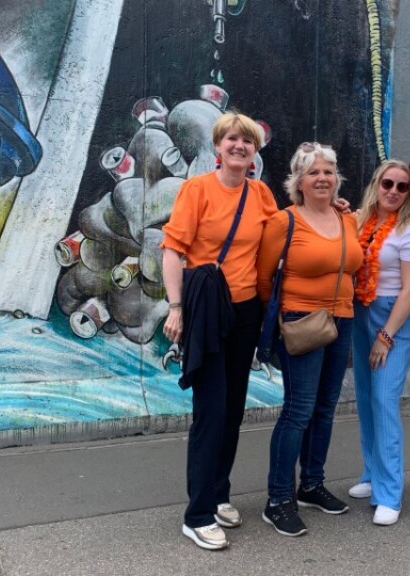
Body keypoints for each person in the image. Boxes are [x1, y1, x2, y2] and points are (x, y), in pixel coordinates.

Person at [160, 112, 277, 550]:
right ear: (218, 147)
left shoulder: (260, 193)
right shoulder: (197, 190)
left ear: (254, 152)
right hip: (206, 311)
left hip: (245, 312)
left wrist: (340, 211)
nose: (239, 147)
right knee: (210, 411)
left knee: (232, 408)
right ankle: (198, 513)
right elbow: (173, 250)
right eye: (231, 139)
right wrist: (176, 308)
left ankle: (220, 491)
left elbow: (282, 233)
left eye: (246, 142)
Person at [256, 142, 363, 537]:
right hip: (301, 319)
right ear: (298, 181)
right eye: (313, 172)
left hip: (342, 319)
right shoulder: (285, 222)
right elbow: (264, 278)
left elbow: (353, 265)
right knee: (298, 409)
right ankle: (278, 498)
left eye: (328, 172)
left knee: (326, 406)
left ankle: (312, 485)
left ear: (337, 179)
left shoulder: (346, 218)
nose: (322, 178)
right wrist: (287, 316)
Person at [347, 160, 410, 526]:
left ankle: (389, 493)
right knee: (365, 399)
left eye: (402, 186)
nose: (393, 191)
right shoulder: (361, 220)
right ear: (376, 183)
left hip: (392, 318)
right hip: (360, 313)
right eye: (388, 183)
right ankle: (370, 474)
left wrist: (386, 336)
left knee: (384, 400)